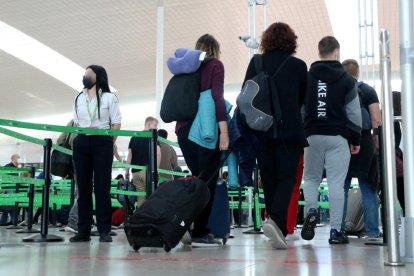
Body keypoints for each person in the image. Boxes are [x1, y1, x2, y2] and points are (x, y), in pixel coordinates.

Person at [241, 22, 308, 250]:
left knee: (268, 177)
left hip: (262, 130)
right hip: (290, 131)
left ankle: (274, 221)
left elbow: (246, 94)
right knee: (286, 178)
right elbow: (302, 99)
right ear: (291, 41)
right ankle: (276, 222)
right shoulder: (299, 66)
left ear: (266, 40)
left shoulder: (256, 62)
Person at [302, 36, 362, 245]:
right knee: (336, 183)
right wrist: (355, 139)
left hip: (311, 136)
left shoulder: (307, 78)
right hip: (337, 136)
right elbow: (354, 114)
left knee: (311, 178)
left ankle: (311, 209)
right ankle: (336, 232)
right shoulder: (346, 80)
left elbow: (300, 108)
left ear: (319, 53)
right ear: (337, 52)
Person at [173, 34, 229, 246]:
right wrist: (224, 132)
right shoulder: (215, 66)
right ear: (216, 49)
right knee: (206, 184)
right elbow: (217, 98)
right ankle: (199, 233)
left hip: (183, 130)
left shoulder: (186, 67)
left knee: (197, 180)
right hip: (203, 131)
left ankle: (181, 224)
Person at [70, 65, 122, 243]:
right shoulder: (78, 98)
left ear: (98, 76)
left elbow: (116, 123)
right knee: (83, 188)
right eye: (85, 74)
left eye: (89, 74)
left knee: (102, 187)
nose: (85, 76)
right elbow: (77, 123)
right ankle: (82, 230)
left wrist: (109, 142)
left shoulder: (109, 98)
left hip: (103, 142)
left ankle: (104, 230)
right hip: (82, 141)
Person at [341, 59, 382, 241]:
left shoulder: (339, 89)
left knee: (341, 187)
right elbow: (376, 120)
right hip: (364, 141)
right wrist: (376, 140)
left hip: (343, 141)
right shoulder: (368, 90)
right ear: (358, 72)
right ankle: (372, 232)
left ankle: (339, 229)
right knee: (368, 188)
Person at [125, 116, 161, 206]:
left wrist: (126, 171)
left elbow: (129, 155)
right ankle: (151, 218)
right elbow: (158, 154)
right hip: (147, 171)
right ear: (149, 124)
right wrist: (155, 170)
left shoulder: (134, 136)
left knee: (140, 198)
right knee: (152, 197)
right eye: (155, 125)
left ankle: (141, 218)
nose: (156, 128)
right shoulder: (152, 136)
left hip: (135, 172)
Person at [0, 154, 21, 225]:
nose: (18, 160)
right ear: (13, 159)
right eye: (17, 158)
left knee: (8, 206)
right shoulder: (8, 167)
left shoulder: (15, 167)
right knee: (11, 205)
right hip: (9, 188)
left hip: (12, 188)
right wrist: (4, 188)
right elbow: (4, 177)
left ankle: (3, 222)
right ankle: (14, 221)